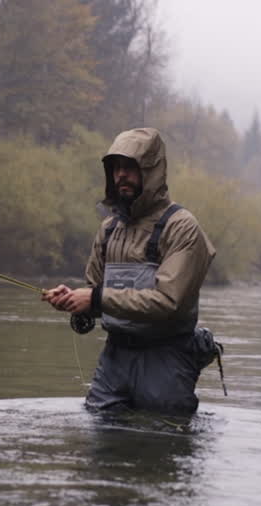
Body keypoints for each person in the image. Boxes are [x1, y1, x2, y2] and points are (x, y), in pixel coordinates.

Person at [43, 127, 217, 415]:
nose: (121, 174)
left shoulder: (182, 227)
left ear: (151, 171)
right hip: (114, 360)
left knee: (160, 444)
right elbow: (95, 297)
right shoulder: (109, 229)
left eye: (130, 167)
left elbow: (168, 302)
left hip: (167, 359)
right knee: (101, 448)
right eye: (116, 168)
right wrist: (75, 303)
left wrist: (95, 299)